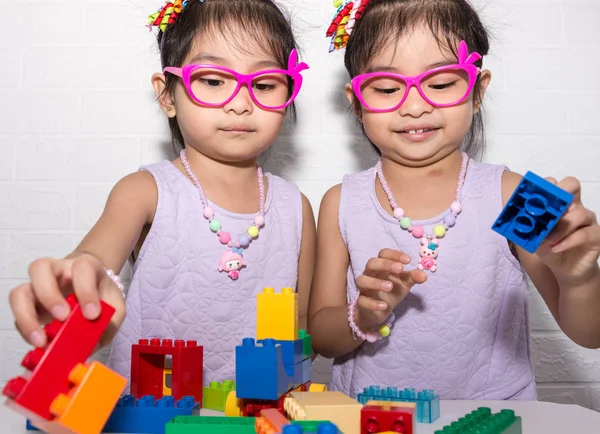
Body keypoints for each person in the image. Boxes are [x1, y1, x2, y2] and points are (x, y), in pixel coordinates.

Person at [9, 0, 316, 386]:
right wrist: (80, 279)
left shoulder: (295, 208)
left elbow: (302, 328)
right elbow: (95, 259)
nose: (240, 103)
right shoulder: (144, 192)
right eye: (212, 80)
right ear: (167, 95)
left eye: (264, 84)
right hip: (152, 413)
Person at [309, 0, 600, 400]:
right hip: (372, 416)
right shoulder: (340, 201)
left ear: (477, 90)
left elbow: (589, 334)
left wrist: (579, 277)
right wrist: (362, 315)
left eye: (442, 83)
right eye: (388, 88)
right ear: (357, 100)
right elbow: (322, 338)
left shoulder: (520, 193)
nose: (414, 106)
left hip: (496, 417)